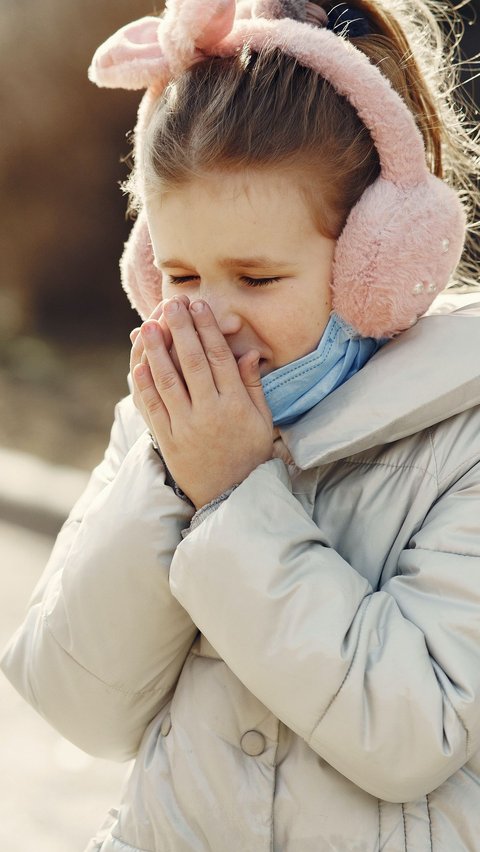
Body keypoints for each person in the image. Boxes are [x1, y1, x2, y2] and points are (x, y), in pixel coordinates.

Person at [2, 0, 480, 848]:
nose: (213, 322)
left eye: (257, 280)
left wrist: (233, 497)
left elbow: (414, 731)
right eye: (182, 276)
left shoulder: (463, 433)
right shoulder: (160, 428)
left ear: (380, 259)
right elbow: (77, 703)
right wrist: (170, 481)